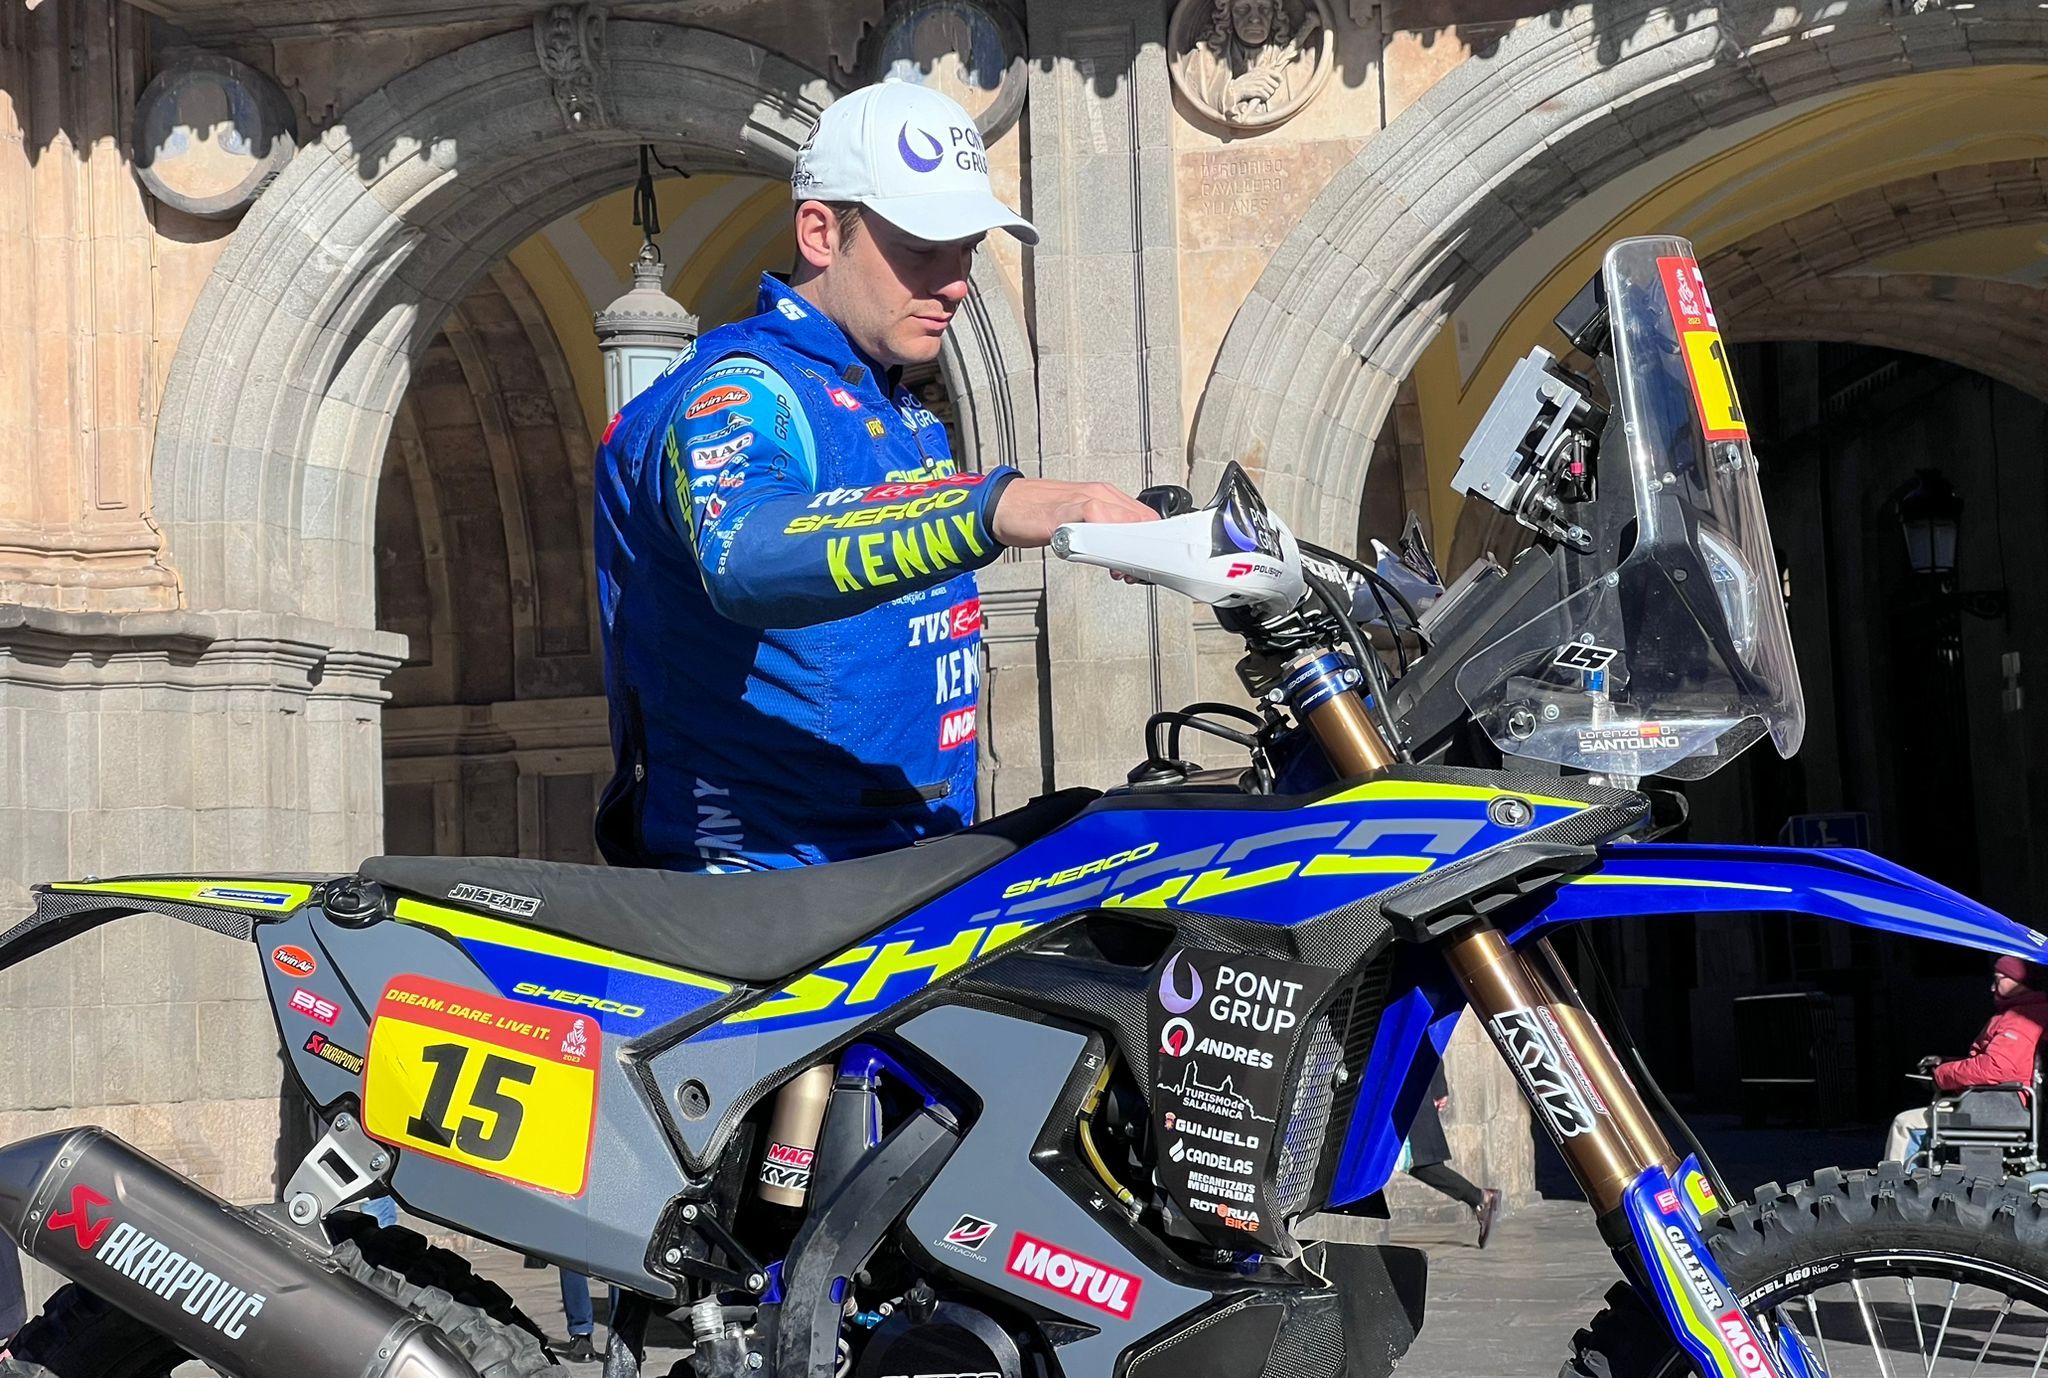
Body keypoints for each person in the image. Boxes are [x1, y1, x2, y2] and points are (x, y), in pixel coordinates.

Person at [594, 78, 1155, 873]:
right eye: (923, 250)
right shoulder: (740, 390)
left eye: (965, 252)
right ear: (821, 233)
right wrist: (991, 505)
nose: (956, 283)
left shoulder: (890, 401)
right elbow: (745, 553)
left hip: (895, 865)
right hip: (764, 884)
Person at [1885, 955, 2048, 1164]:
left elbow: (1996, 1067)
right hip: (2000, 1103)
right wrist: (1945, 1062)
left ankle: (1895, 1187)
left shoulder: (2019, 1020)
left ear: (2018, 981)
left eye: (1998, 979)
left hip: (1998, 1107)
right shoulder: (2030, 1013)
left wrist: (1942, 1074)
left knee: (1904, 1123)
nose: (1992, 988)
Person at [1404, 1065, 1502, 1248]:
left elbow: (1427, 1039)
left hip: (1404, 1089)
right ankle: (1480, 1198)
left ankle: (1480, 1198)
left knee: (1412, 1159)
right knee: (1413, 1160)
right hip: (1394, 1088)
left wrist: (1438, 1085)